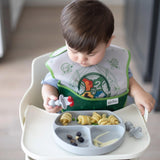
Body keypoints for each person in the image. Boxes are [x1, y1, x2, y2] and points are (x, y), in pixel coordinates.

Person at [41, 0, 155, 115]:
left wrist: (138, 93)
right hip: (70, 120)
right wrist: (50, 97)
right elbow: (49, 84)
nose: (81, 59)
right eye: (74, 51)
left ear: (108, 41)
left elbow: (127, 80)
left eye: (91, 54)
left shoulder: (115, 60)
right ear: (65, 41)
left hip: (111, 119)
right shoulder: (61, 63)